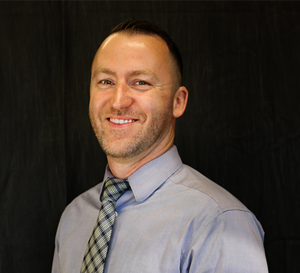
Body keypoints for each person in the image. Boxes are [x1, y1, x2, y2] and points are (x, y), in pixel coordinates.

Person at [52, 19, 268, 272]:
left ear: (178, 101)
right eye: (106, 82)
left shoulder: (219, 222)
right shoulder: (74, 218)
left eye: (141, 82)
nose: (118, 101)